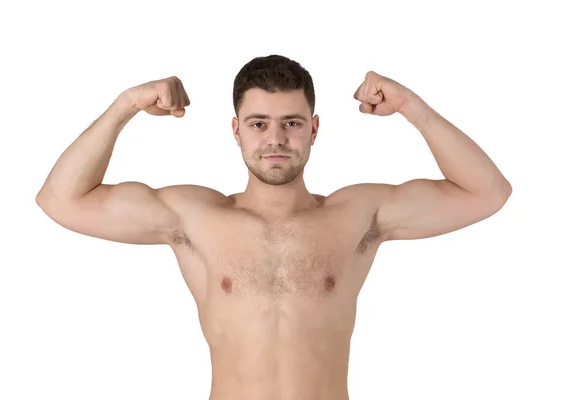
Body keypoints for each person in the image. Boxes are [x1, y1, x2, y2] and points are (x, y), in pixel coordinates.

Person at [36, 54, 512, 399]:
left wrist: (412, 106)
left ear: (314, 129)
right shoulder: (195, 217)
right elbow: (60, 200)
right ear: (236, 131)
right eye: (259, 124)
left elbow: (487, 193)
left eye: (292, 123)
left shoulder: (357, 215)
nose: (276, 139)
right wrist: (125, 105)